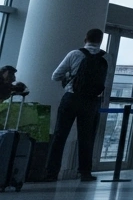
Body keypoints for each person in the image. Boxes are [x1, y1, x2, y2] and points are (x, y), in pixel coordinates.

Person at [41, 29, 108, 183]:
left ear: (85, 38)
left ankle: (51, 173)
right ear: (101, 40)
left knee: (59, 136)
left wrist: (69, 77)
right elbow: (105, 83)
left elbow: (55, 76)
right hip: (91, 102)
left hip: (71, 98)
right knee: (86, 138)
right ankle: (85, 172)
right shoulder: (106, 58)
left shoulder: (74, 54)